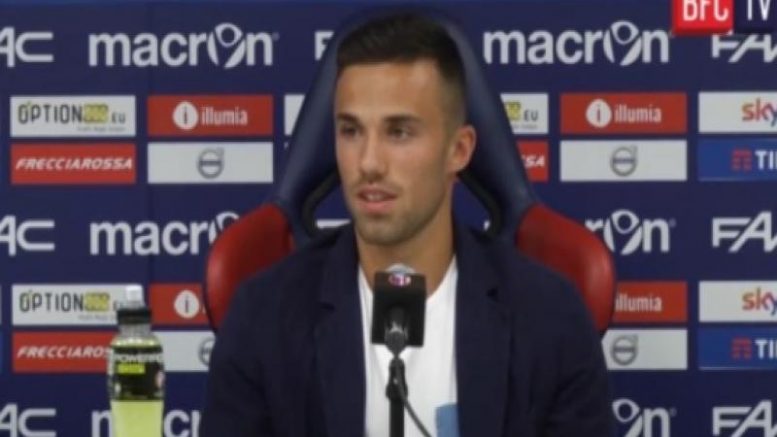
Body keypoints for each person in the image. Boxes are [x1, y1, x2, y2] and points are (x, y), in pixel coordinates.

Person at [201, 12, 613, 437]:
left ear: (459, 150)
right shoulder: (262, 319)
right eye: (351, 131)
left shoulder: (551, 319)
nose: (368, 163)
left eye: (398, 132)